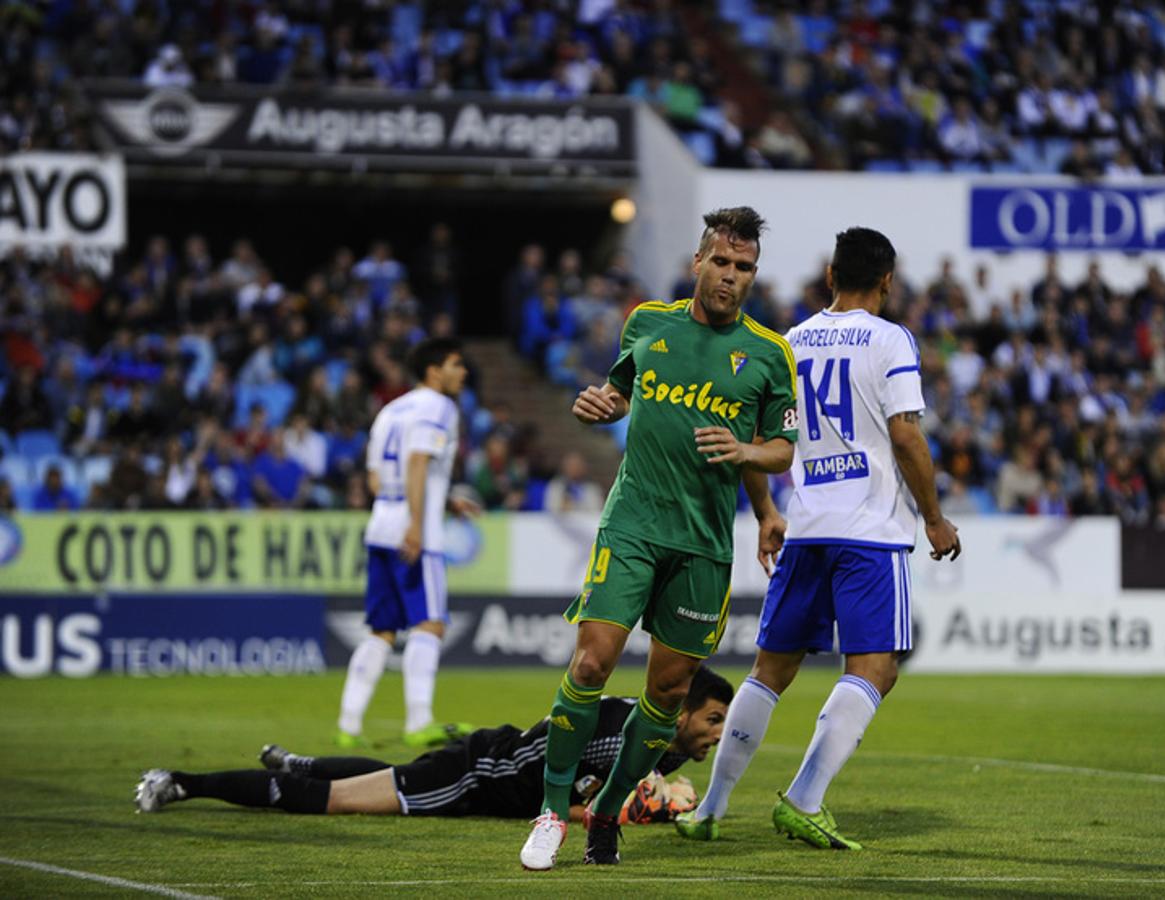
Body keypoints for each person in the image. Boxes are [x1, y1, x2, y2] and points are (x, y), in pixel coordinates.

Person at [519, 207, 799, 870]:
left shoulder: (768, 352)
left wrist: (750, 466)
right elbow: (620, 390)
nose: (731, 277)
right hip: (633, 523)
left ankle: (609, 810)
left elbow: (781, 450)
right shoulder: (647, 322)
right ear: (697, 262)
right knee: (590, 663)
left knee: (669, 694)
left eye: (744, 268)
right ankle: (553, 811)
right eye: (722, 263)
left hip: (702, 543)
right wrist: (602, 403)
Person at [675, 227, 961, 850]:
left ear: (830, 276)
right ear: (888, 281)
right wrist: (934, 518)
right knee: (876, 668)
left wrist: (766, 513)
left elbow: (755, 435)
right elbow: (906, 436)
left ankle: (711, 808)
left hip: (804, 526)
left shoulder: (789, 342)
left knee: (769, 671)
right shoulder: (890, 340)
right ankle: (803, 797)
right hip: (869, 533)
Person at [135, 667, 732, 822]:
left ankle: (302, 761)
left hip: (488, 760)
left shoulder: (661, 736)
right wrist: (634, 808)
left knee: (388, 775)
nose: (717, 732)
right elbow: (568, 801)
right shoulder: (622, 738)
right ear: (681, 712)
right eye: (711, 719)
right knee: (338, 801)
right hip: (477, 776)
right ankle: (185, 783)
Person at [337, 338, 475, 750]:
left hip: (381, 525)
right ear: (434, 371)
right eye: (456, 364)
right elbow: (417, 461)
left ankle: (347, 725)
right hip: (417, 533)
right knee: (429, 623)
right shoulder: (440, 407)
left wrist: (442, 498)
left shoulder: (390, 410)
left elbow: (378, 479)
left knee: (381, 630)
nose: (462, 372)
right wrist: (418, 522)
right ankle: (419, 719)